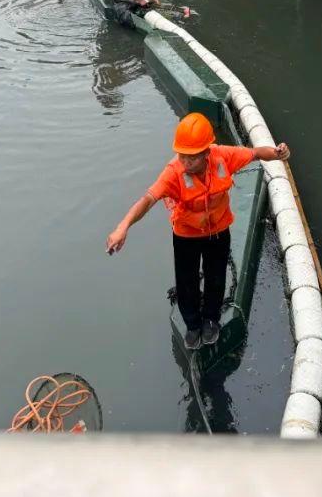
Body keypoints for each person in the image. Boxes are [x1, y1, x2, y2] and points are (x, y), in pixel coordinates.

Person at [106, 113, 291, 350]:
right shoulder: (173, 172)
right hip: (186, 236)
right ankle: (193, 325)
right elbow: (148, 199)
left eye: (191, 157)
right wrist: (123, 227)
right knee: (187, 281)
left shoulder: (223, 157)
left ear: (206, 152)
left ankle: (211, 320)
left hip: (218, 231)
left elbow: (255, 153)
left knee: (216, 275)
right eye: (182, 155)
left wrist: (277, 153)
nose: (185, 161)